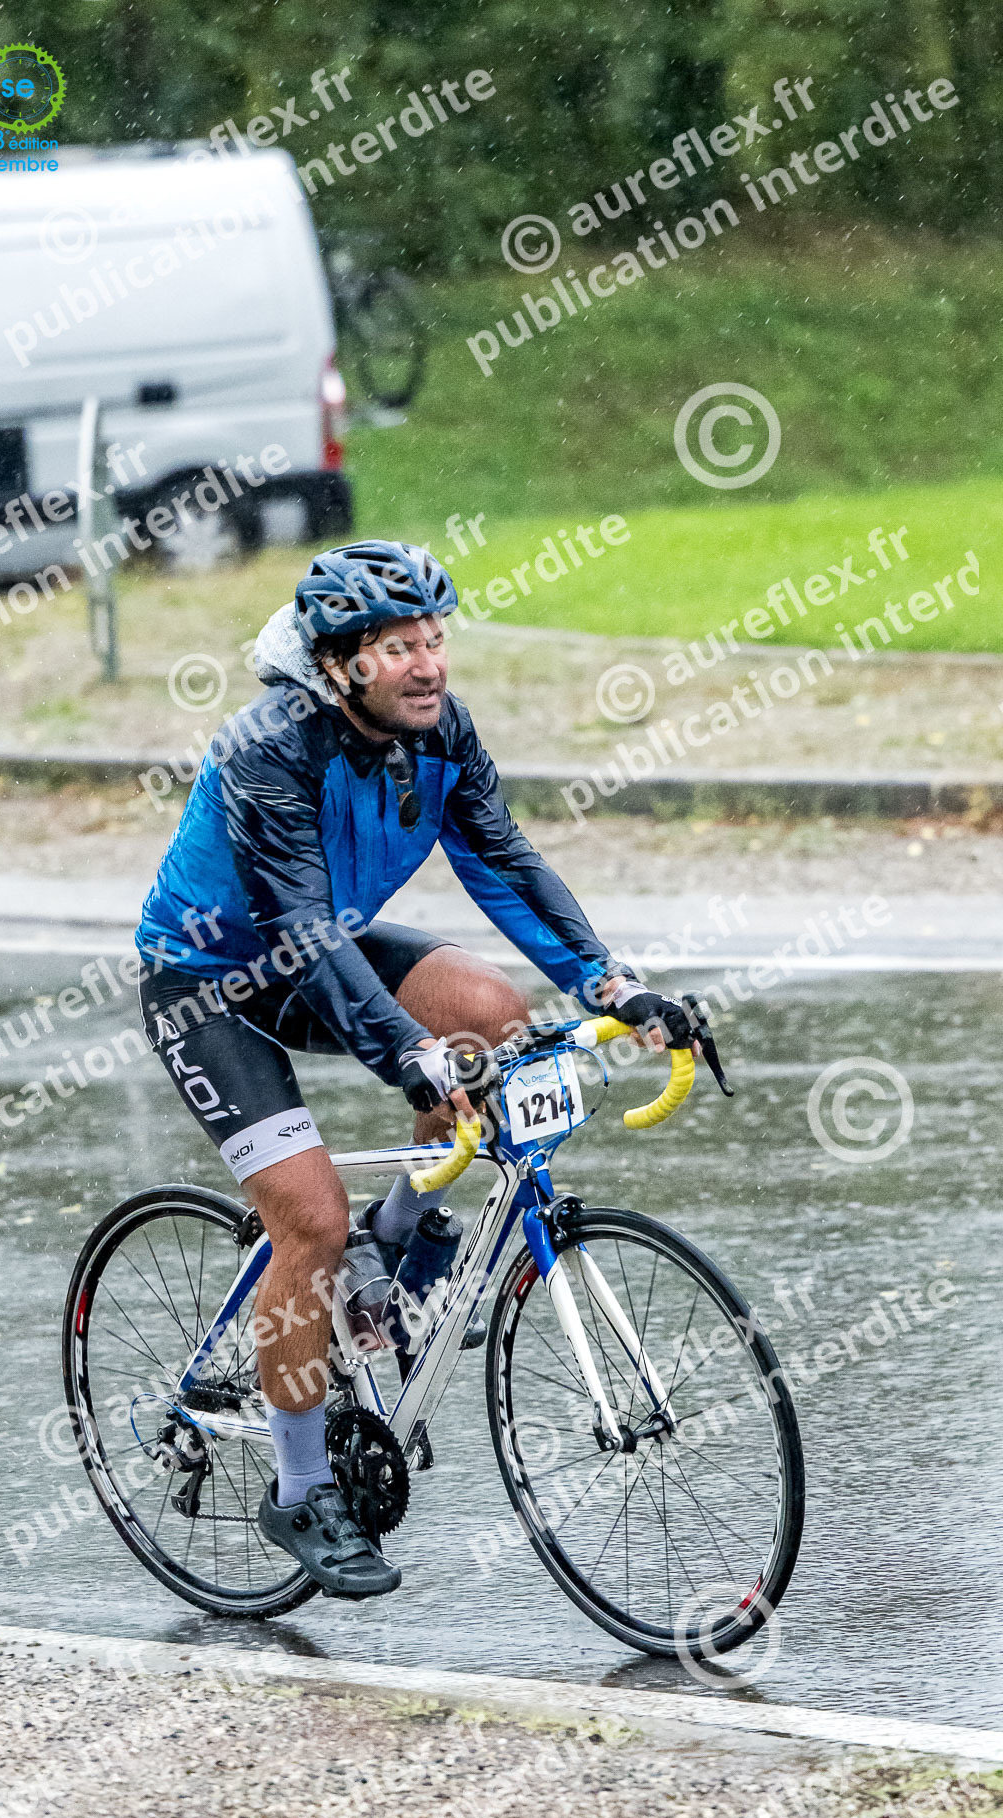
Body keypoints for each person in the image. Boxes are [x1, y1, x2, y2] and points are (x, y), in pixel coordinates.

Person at [136, 540, 692, 1599]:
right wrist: (406, 1053)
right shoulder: (269, 748)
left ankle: (395, 1240)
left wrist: (613, 987)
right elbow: (299, 930)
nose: (428, 664)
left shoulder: (440, 733)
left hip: (324, 948)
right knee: (309, 1224)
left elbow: (505, 862)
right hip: (212, 986)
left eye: (435, 640)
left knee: (493, 1019)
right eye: (399, 648)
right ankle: (302, 1489)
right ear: (339, 663)